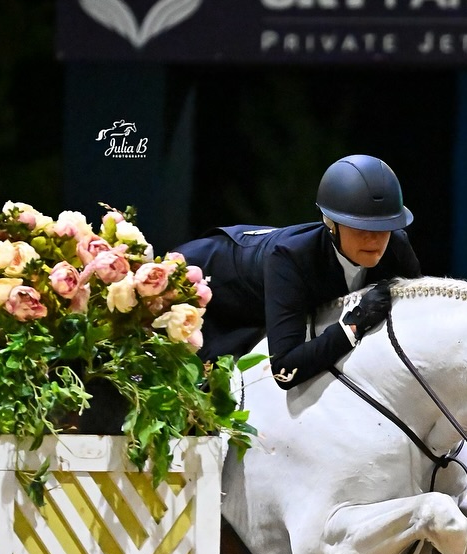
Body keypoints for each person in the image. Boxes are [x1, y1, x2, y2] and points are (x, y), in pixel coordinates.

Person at [174, 154, 422, 389]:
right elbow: (285, 370)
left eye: (384, 227)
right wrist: (354, 325)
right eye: (360, 228)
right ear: (330, 224)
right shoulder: (290, 258)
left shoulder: (396, 246)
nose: (374, 240)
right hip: (204, 286)